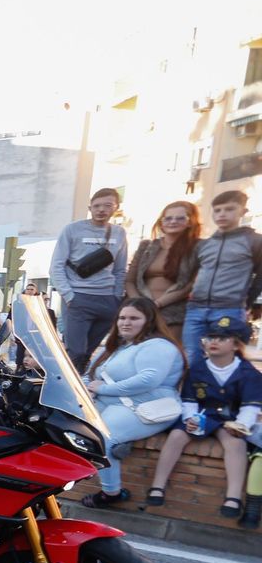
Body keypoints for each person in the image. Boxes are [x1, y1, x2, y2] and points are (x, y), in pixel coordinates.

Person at [146, 316, 261, 518]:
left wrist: (241, 425)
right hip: (202, 417)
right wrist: (189, 418)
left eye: (222, 338)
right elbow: (189, 400)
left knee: (236, 444)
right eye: (210, 337)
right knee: (176, 437)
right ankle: (157, 486)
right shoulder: (197, 369)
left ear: (236, 345)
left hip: (230, 420)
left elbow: (250, 407)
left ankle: (233, 497)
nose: (213, 342)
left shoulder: (249, 373)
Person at [77, 298, 185, 509]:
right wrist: (81, 389)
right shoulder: (116, 346)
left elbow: (148, 379)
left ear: (149, 321)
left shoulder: (159, 345)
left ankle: (111, 493)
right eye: (122, 317)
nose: (126, 322)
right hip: (110, 404)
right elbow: (91, 375)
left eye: (134, 318)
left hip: (145, 408)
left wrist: (103, 389)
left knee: (101, 439)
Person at [50, 187, 129, 371]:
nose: (101, 210)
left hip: (108, 299)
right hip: (78, 297)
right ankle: (67, 391)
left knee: (88, 353)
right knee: (75, 352)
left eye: (107, 205)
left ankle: (80, 388)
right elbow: (56, 265)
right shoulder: (72, 230)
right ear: (90, 207)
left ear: (116, 207)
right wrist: (69, 296)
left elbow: (120, 269)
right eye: (97, 206)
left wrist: (117, 296)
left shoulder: (119, 233)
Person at [181, 190, 262, 365]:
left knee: (225, 359)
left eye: (229, 209)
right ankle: (193, 391)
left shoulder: (254, 241)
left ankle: (225, 392)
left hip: (229, 308)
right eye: (217, 210)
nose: (222, 214)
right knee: (191, 355)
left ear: (243, 211)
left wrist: (249, 302)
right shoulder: (204, 245)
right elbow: (190, 275)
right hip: (196, 308)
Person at [125, 201, 201, 334]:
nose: (173, 222)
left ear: (190, 222)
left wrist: (156, 304)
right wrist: (139, 304)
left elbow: (189, 285)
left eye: (180, 218)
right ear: (161, 222)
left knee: (165, 351)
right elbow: (129, 281)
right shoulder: (146, 246)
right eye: (168, 218)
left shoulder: (197, 248)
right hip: (138, 310)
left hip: (173, 313)